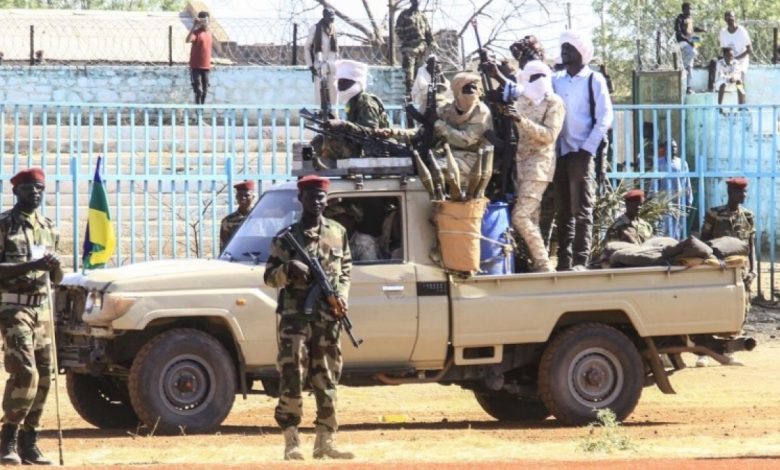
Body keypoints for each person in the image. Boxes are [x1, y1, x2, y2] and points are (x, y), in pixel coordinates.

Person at [264, 175, 353, 461]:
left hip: (328, 318)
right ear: (300, 199)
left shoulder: (338, 232)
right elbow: (269, 277)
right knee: (292, 375)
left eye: (321, 197)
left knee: (327, 376)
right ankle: (291, 441)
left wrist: (341, 296)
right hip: (295, 320)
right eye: (311, 196)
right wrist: (288, 269)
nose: (317, 201)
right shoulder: (286, 237)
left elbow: (346, 270)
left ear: (327, 200)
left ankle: (326, 441)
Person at [0, 168, 62, 465]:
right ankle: (8, 438)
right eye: (28, 188)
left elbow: (58, 278)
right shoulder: (4, 225)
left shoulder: (49, 228)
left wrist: (55, 265)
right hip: (13, 308)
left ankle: (30, 441)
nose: (35, 193)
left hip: (42, 309)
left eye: (39, 188)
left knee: (46, 376)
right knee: (26, 372)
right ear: (16, 191)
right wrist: (31, 265)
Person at [552, 30, 614, 271]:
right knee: (563, 211)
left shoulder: (593, 79)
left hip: (581, 150)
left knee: (582, 210)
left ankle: (580, 260)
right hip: (560, 152)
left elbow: (605, 116)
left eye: (570, 47)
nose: (565, 51)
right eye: (563, 47)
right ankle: (563, 262)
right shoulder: (557, 80)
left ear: (582, 52)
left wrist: (588, 149)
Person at [502, 60, 565, 272]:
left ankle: (543, 262)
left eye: (539, 77)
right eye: (532, 77)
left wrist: (521, 120)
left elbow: (549, 135)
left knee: (519, 217)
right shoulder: (522, 99)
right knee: (531, 218)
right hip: (519, 166)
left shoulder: (554, 102)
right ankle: (536, 264)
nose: (536, 81)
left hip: (538, 167)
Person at [696, 177, 755, 367]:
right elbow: (703, 242)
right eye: (741, 192)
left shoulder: (748, 216)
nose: (744, 195)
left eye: (745, 192)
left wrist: (753, 270)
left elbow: (750, 246)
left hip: (740, 272)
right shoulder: (714, 214)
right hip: (718, 270)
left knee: (738, 311)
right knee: (711, 309)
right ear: (731, 193)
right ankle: (704, 352)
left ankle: (728, 352)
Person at [312, 59, 390, 163]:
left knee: (332, 143)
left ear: (357, 82)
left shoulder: (366, 101)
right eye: (339, 82)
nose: (340, 86)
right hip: (359, 142)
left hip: (375, 147)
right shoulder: (352, 101)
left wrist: (343, 125)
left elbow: (372, 132)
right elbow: (354, 127)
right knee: (319, 139)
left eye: (345, 82)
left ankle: (334, 167)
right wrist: (331, 120)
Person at [433, 72, 493, 183]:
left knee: (438, 170)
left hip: (474, 159)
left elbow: (466, 141)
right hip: (451, 154)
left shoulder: (481, 111)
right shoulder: (448, 110)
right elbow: (430, 129)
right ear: (457, 91)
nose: (472, 91)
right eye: (467, 88)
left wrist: (443, 128)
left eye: (474, 88)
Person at [645, 140, 693, 240]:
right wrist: (652, 198)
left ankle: (676, 244)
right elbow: (655, 181)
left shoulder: (682, 163)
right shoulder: (659, 162)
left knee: (678, 227)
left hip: (679, 200)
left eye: (675, 147)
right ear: (665, 149)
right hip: (664, 200)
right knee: (664, 226)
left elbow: (687, 182)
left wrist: (689, 200)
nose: (673, 149)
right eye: (670, 147)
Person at [395, 0, 434, 95]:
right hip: (409, 46)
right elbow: (398, 30)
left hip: (421, 47)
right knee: (409, 68)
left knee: (422, 70)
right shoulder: (404, 15)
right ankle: (409, 90)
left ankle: (422, 91)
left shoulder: (422, 16)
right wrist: (407, 39)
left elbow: (428, 31)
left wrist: (432, 43)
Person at [304, 8, 339, 112]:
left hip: (332, 67)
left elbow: (336, 49)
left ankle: (334, 118)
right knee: (319, 98)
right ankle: (320, 118)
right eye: (330, 17)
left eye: (333, 17)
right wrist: (311, 66)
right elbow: (307, 47)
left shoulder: (334, 28)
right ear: (324, 17)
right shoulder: (315, 28)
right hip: (319, 67)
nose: (332, 19)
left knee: (334, 96)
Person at [719, 10, 752, 103]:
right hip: (729, 60)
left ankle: (742, 105)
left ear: (735, 18)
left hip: (742, 59)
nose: (729, 18)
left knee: (740, 79)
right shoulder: (723, 32)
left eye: (731, 16)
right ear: (725, 19)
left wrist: (736, 59)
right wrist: (727, 62)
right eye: (727, 17)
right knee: (722, 81)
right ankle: (719, 107)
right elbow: (723, 50)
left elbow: (749, 49)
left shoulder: (741, 31)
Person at [674, 3, 705, 94]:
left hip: (690, 41)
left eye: (690, 9)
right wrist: (688, 41)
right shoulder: (679, 19)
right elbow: (678, 32)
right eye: (687, 9)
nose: (689, 11)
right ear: (683, 10)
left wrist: (701, 30)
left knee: (690, 67)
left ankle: (688, 87)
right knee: (693, 53)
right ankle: (682, 67)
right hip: (682, 42)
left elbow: (692, 29)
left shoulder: (690, 19)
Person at [186, 11, 213, 105]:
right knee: (198, 90)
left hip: (206, 67)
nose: (204, 22)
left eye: (206, 20)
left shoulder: (209, 33)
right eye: (202, 20)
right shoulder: (196, 33)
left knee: (205, 91)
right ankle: (198, 111)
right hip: (195, 67)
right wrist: (194, 26)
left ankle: (201, 110)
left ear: (209, 21)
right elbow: (188, 40)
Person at [219, 180, 255, 252]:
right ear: (236, 197)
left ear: (253, 197)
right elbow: (224, 248)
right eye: (240, 195)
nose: (243, 198)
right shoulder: (228, 221)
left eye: (247, 195)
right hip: (236, 257)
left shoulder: (260, 219)